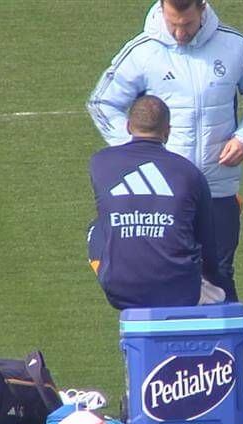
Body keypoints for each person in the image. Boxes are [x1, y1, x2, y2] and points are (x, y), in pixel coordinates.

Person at [87, 0, 243, 301]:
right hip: (164, 195)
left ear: (202, 9)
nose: (179, 33)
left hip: (218, 189)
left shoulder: (234, 47)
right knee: (162, 277)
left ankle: (221, 334)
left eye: (187, 24)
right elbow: (102, 103)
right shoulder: (142, 52)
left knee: (218, 274)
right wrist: (136, 154)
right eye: (172, 24)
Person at [87, 95, 230, 310]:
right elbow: (207, 243)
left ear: (128, 126)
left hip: (121, 290)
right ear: (168, 131)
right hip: (180, 292)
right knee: (218, 293)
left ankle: (117, 275)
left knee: (97, 227)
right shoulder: (189, 172)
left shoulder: (100, 163)